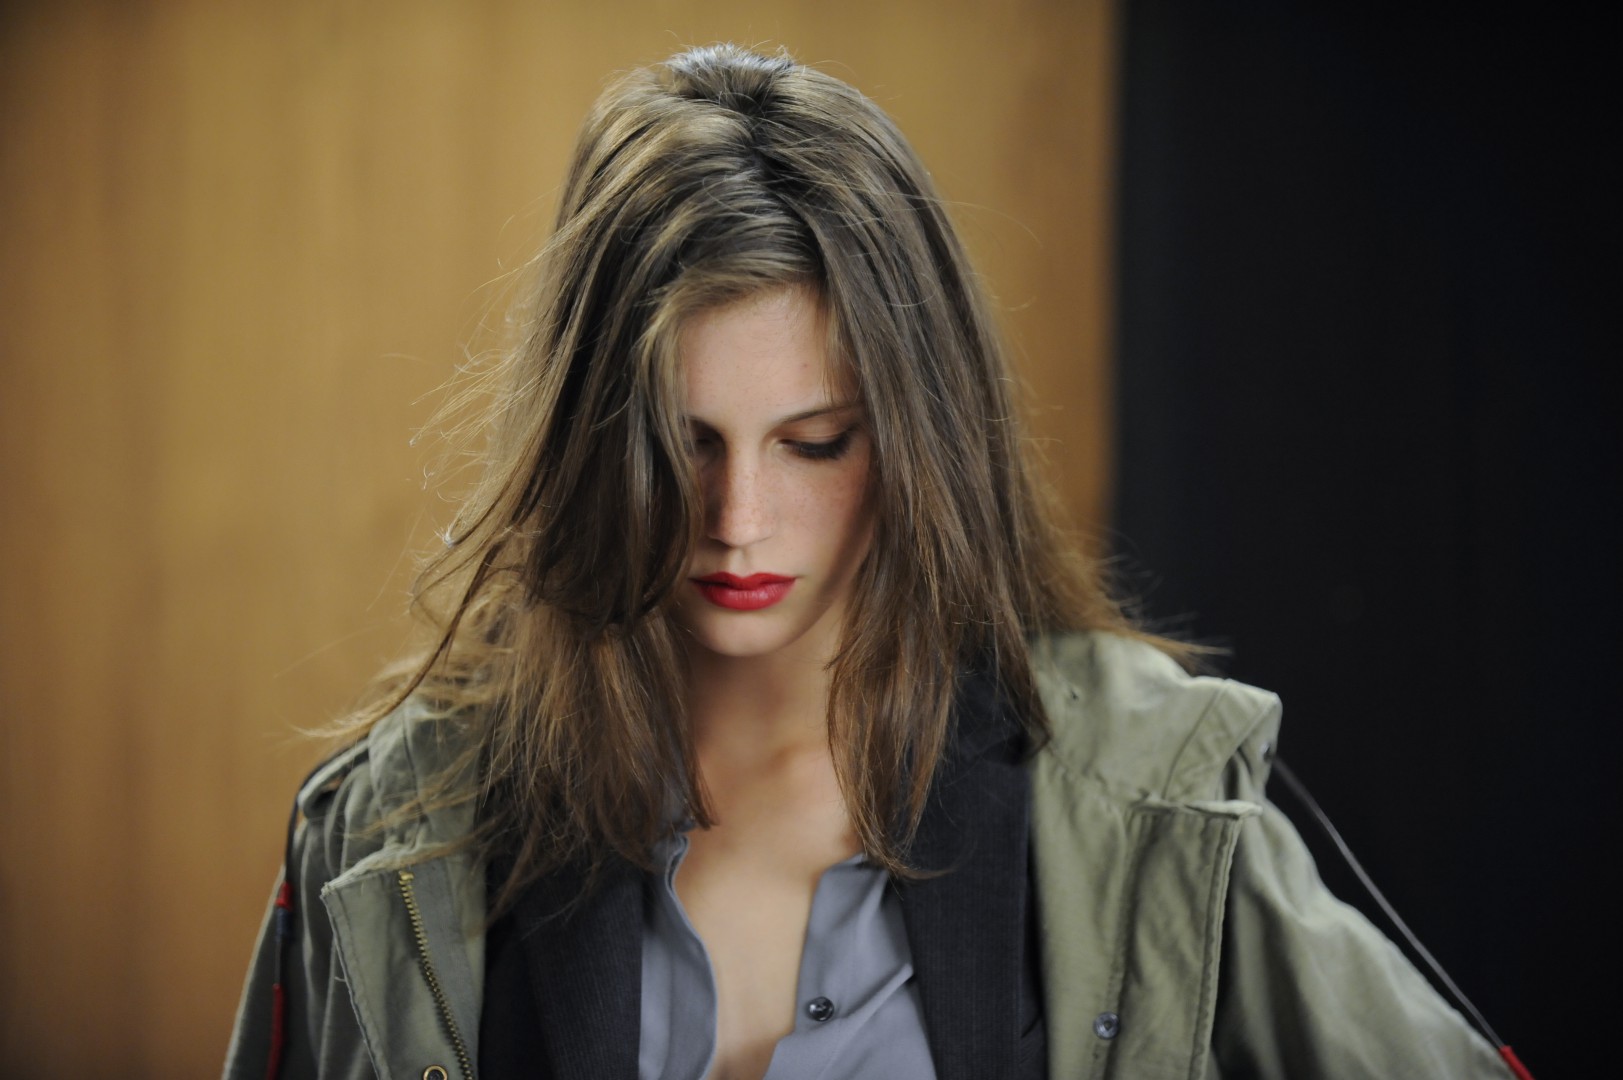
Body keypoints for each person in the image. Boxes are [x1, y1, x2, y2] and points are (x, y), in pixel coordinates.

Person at [225, 43, 1518, 1080]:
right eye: (682, 444)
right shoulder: (392, 832)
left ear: (917, 440)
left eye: (814, 443)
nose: (738, 517)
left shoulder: (1144, 794)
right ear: (588, 441)